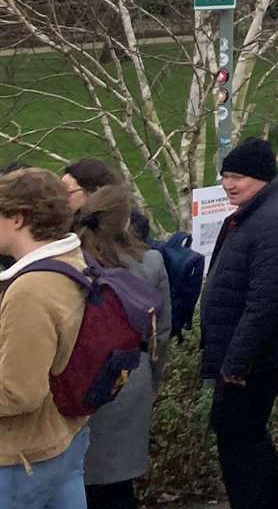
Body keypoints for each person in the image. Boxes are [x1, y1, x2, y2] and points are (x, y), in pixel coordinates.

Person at [199, 138, 278, 509]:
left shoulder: (272, 221)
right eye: (224, 176)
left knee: (235, 432)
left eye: (236, 177)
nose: (228, 184)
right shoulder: (262, 208)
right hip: (252, 351)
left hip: (252, 356)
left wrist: (236, 362)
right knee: (244, 428)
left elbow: (266, 302)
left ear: (261, 177)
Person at [71, 183, 171, 509]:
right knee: (118, 484)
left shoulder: (72, 262)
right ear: (127, 221)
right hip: (130, 374)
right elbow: (162, 332)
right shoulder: (151, 262)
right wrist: (153, 380)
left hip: (77, 376)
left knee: (75, 481)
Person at [0, 168, 93, 508]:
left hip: (22, 458)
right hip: (67, 436)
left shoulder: (29, 290)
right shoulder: (73, 260)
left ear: (18, 219)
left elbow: (19, 393)